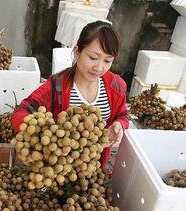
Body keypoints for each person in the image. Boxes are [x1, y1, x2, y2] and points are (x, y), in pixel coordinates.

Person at [10, 21, 129, 168]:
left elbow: (122, 115)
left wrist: (119, 125)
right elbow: (19, 114)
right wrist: (43, 131)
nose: (99, 67)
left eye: (107, 60)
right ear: (77, 52)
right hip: (56, 169)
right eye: (93, 57)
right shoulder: (57, 86)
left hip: (93, 171)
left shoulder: (116, 86)